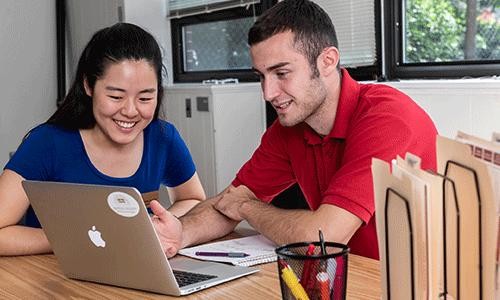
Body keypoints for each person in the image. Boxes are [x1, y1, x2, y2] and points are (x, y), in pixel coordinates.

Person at [150, 0, 438, 260]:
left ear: (327, 61)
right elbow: (229, 201)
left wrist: (249, 208)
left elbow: (324, 238)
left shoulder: (388, 120)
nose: (268, 93)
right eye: (261, 76)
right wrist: (178, 233)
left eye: (282, 73)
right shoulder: (291, 126)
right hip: (348, 274)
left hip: (414, 285)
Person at [0, 23, 205, 256]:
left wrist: (151, 229)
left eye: (145, 98)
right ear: (88, 85)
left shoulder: (163, 137)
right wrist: (85, 237)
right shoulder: (47, 143)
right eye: (115, 96)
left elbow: (194, 199)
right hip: (57, 280)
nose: (130, 111)